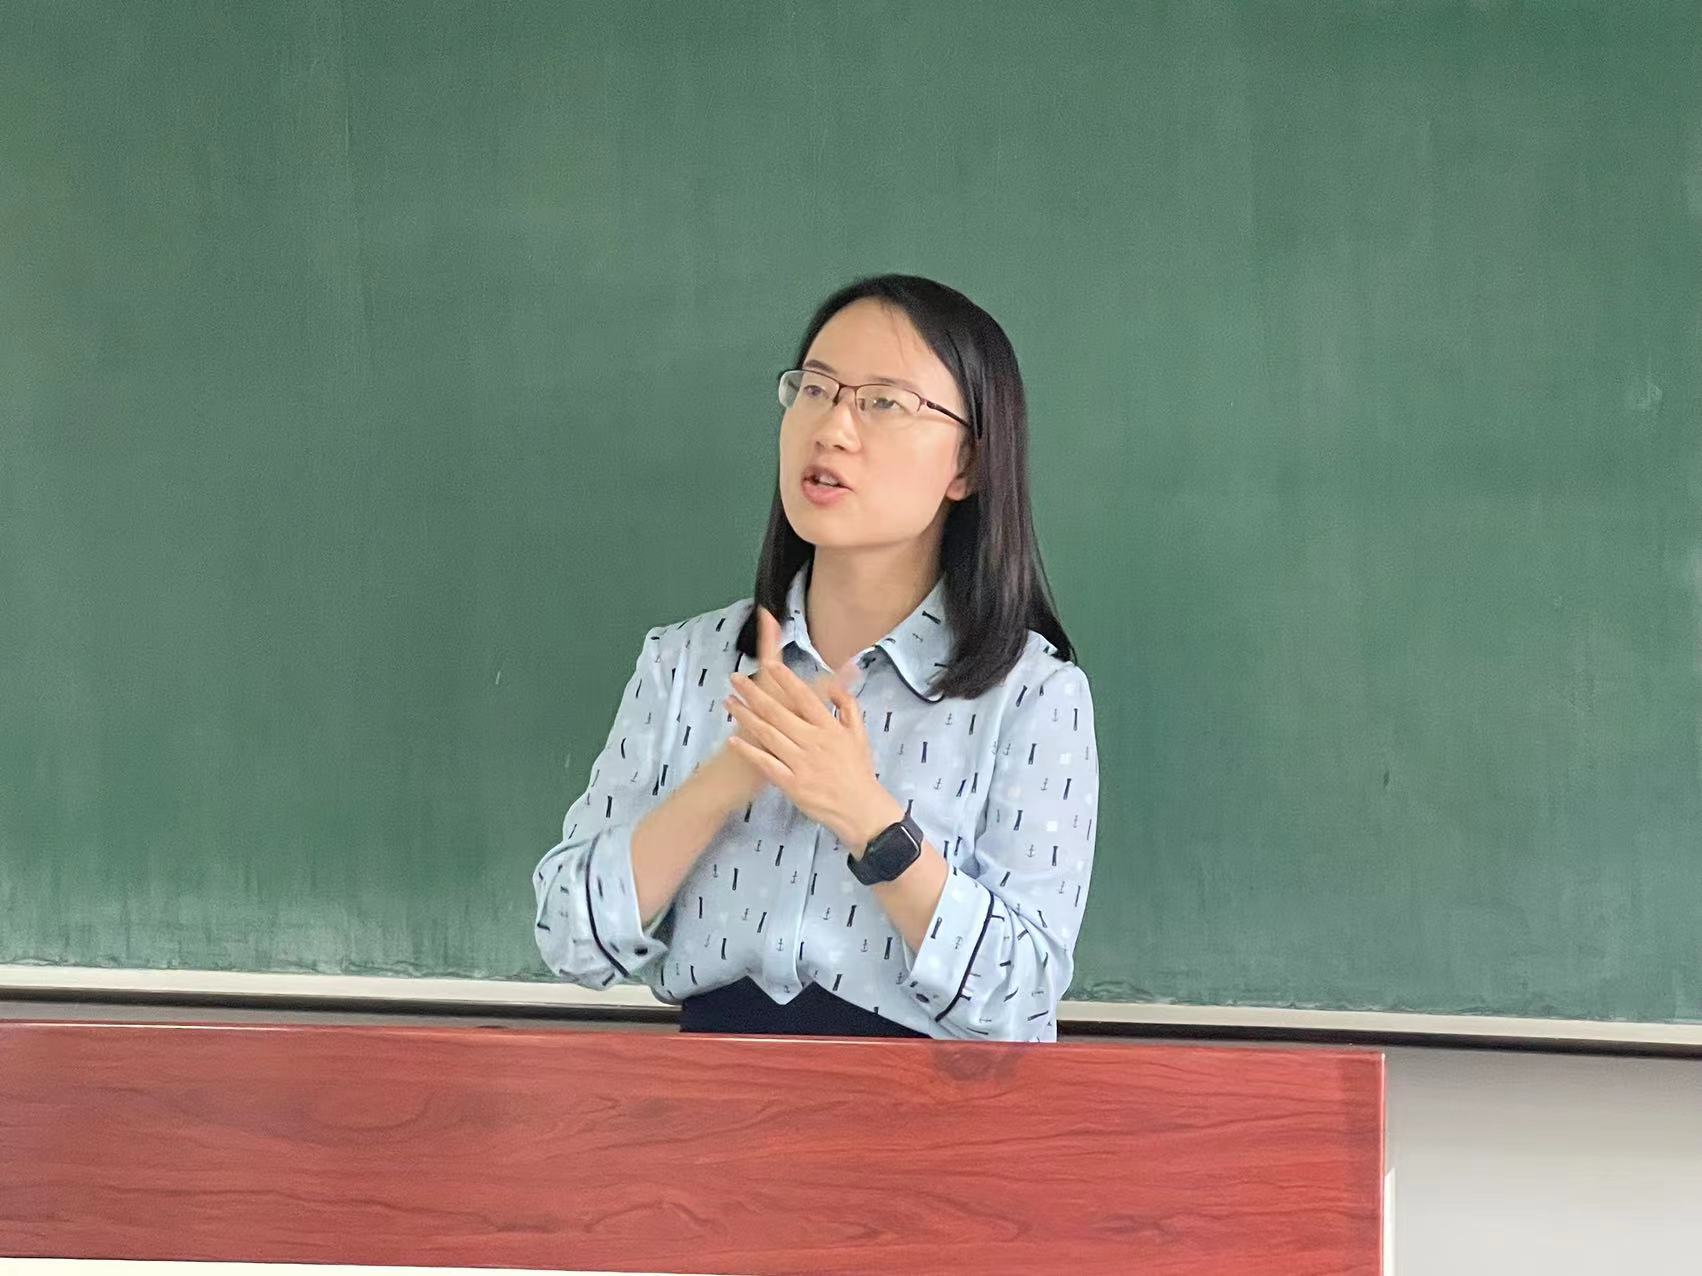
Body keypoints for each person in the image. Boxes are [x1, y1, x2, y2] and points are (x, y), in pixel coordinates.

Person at [532, 274, 1098, 1041]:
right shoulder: (685, 662)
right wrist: (730, 776)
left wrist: (864, 814)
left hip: (920, 1103)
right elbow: (569, 938)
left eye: (884, 402)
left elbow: (1020, 1000)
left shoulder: (1032, 694)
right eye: (815, 389)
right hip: (703, 1092)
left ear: (966, 464)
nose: (832, 427)